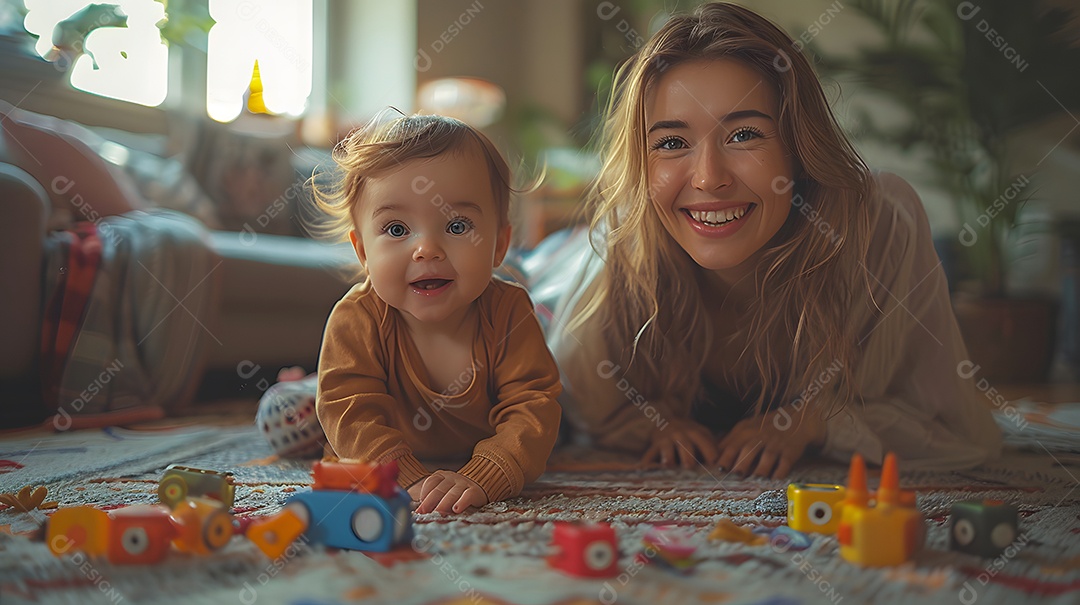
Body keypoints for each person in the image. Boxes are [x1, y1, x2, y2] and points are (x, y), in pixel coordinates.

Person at [545, 2, 1001, 478]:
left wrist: (813, 423)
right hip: (544, 272)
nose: (708, 179)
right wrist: (651, 426)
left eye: (744, 135)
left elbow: (956, 429)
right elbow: (574, 400)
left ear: (799, 149)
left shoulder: (879, 222)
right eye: (672, 143)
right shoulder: (625, 237)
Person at [313, 114, 562, 514]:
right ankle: (302, 390)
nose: (427, 249)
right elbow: (351, 411)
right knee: (302, 418)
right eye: (396, 229)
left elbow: (533, 407)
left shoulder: (508, 311)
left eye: (458, 225)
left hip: (473, 447)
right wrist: (404, 478)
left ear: (499, 245)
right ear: (362, 252)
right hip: (384, 432)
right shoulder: (356, 318)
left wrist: (487, 473)